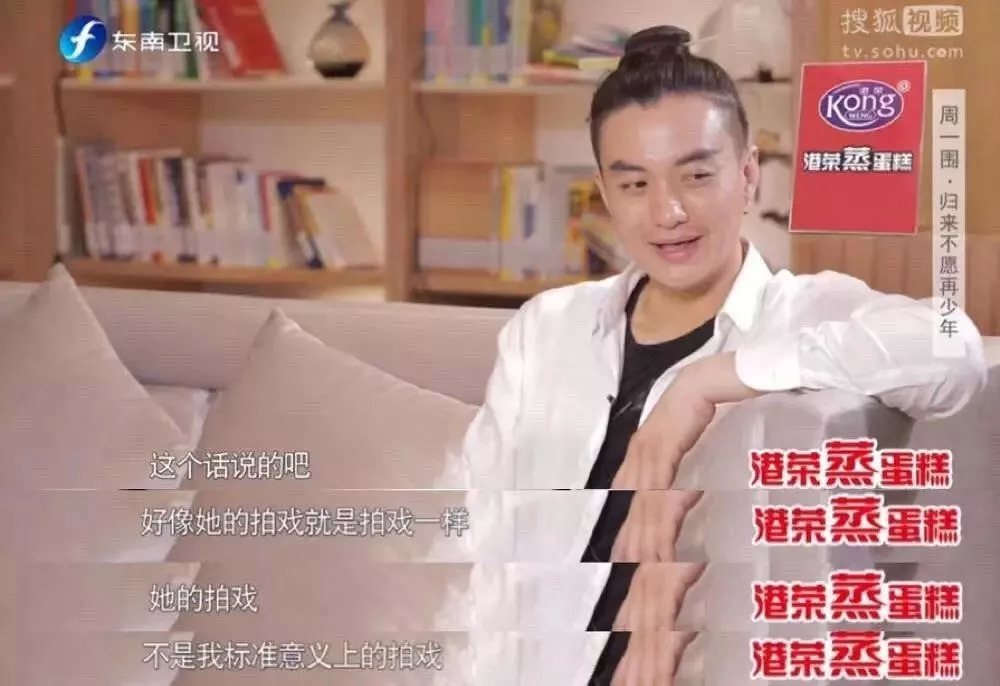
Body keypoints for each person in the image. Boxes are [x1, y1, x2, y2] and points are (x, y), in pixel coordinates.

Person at [438, 24, 988, 685]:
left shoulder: (803, 313)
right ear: (605, 194)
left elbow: (954, 351)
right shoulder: (546, 328)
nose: (668, 212)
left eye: (697, 175)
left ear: (748, 175)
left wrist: (707, 381)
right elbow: (478, 539)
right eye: (635, 185)